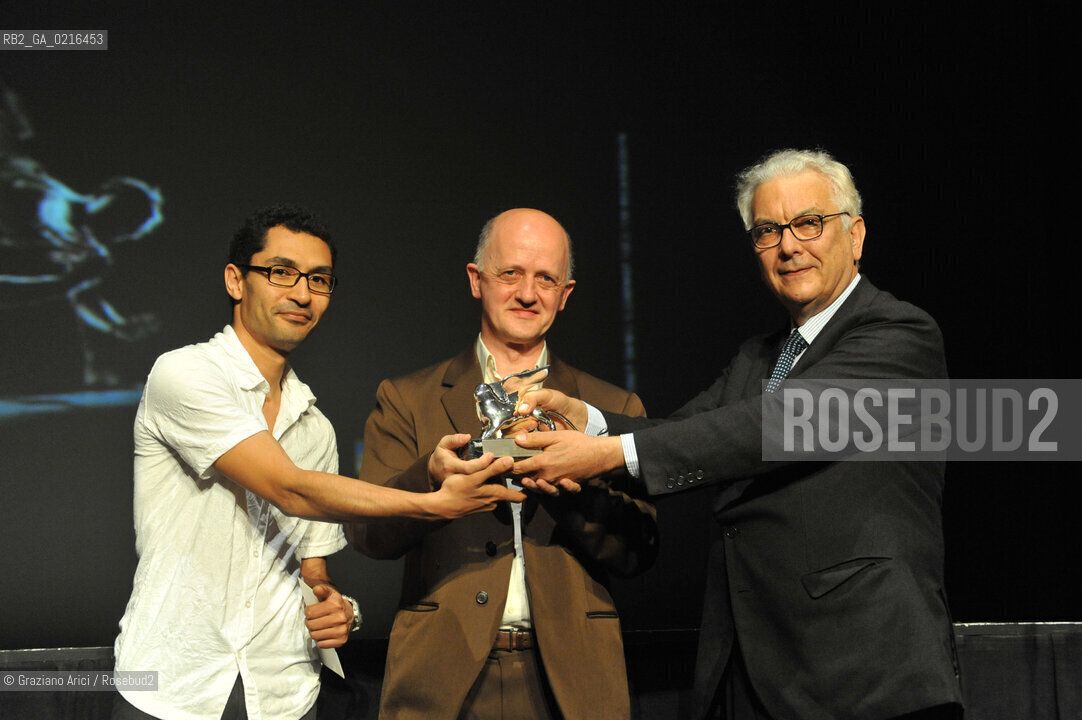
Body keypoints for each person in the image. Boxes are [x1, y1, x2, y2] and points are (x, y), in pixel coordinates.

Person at [512, 151, 965, 719]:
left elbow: (780, 425)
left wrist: (606, 452)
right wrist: (591, 421)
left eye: (808, 223)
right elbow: (685, 434)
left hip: (864, 674)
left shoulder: (898, 333)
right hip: (754, 671)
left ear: (856, 235)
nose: (788, 245)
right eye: (767, 231)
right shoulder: (760, 356)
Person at [112, 205, 523, 720]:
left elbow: (312, 572)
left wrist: (338, 609)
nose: (302, 294)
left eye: (320, 280)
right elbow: (290, 488)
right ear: (236, 281)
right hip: (172, 684)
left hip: (283, 694)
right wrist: (434, 503)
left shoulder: (314, 428)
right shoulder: (185, 374)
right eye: (281, 273)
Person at [348, 208, 658, 720]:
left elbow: (638, 551)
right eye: (510, 273)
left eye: (546, 279)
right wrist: (432, 478)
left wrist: (569, 485)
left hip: (572, 682)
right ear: (477, 280)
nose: (527, 294)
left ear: (566, 293)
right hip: (441, 678)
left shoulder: (612, 407)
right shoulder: (408, 398)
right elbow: (368, 534)